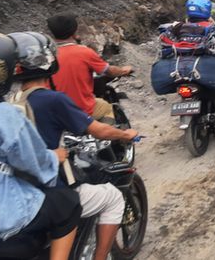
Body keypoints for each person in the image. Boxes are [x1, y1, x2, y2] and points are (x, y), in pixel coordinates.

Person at [9, 32, 135, 260]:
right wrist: (125, 134)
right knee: (113, 197)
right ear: (50, 63)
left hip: (20, 189)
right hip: (50, 187)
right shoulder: (53, 100)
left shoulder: (14, 101)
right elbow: (99, 130)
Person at [0, 32, 80, 260]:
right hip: (1, 218)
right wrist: (54, 157)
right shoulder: (4, 115)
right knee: (67, 204)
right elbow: (37, 166)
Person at [161, 0, 215, 116]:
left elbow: (166, 42)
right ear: (207, 9)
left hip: (182, 68)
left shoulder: (179, 26)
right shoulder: (212, 27)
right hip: (204, 68)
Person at [47, 14, 133, 123]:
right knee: (106, 107)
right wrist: (124, 70)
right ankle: (109, 137)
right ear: (74, 32)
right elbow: (109, 71)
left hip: (55, 111)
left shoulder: (48, 56)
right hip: (81, 109)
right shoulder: (84, 52)